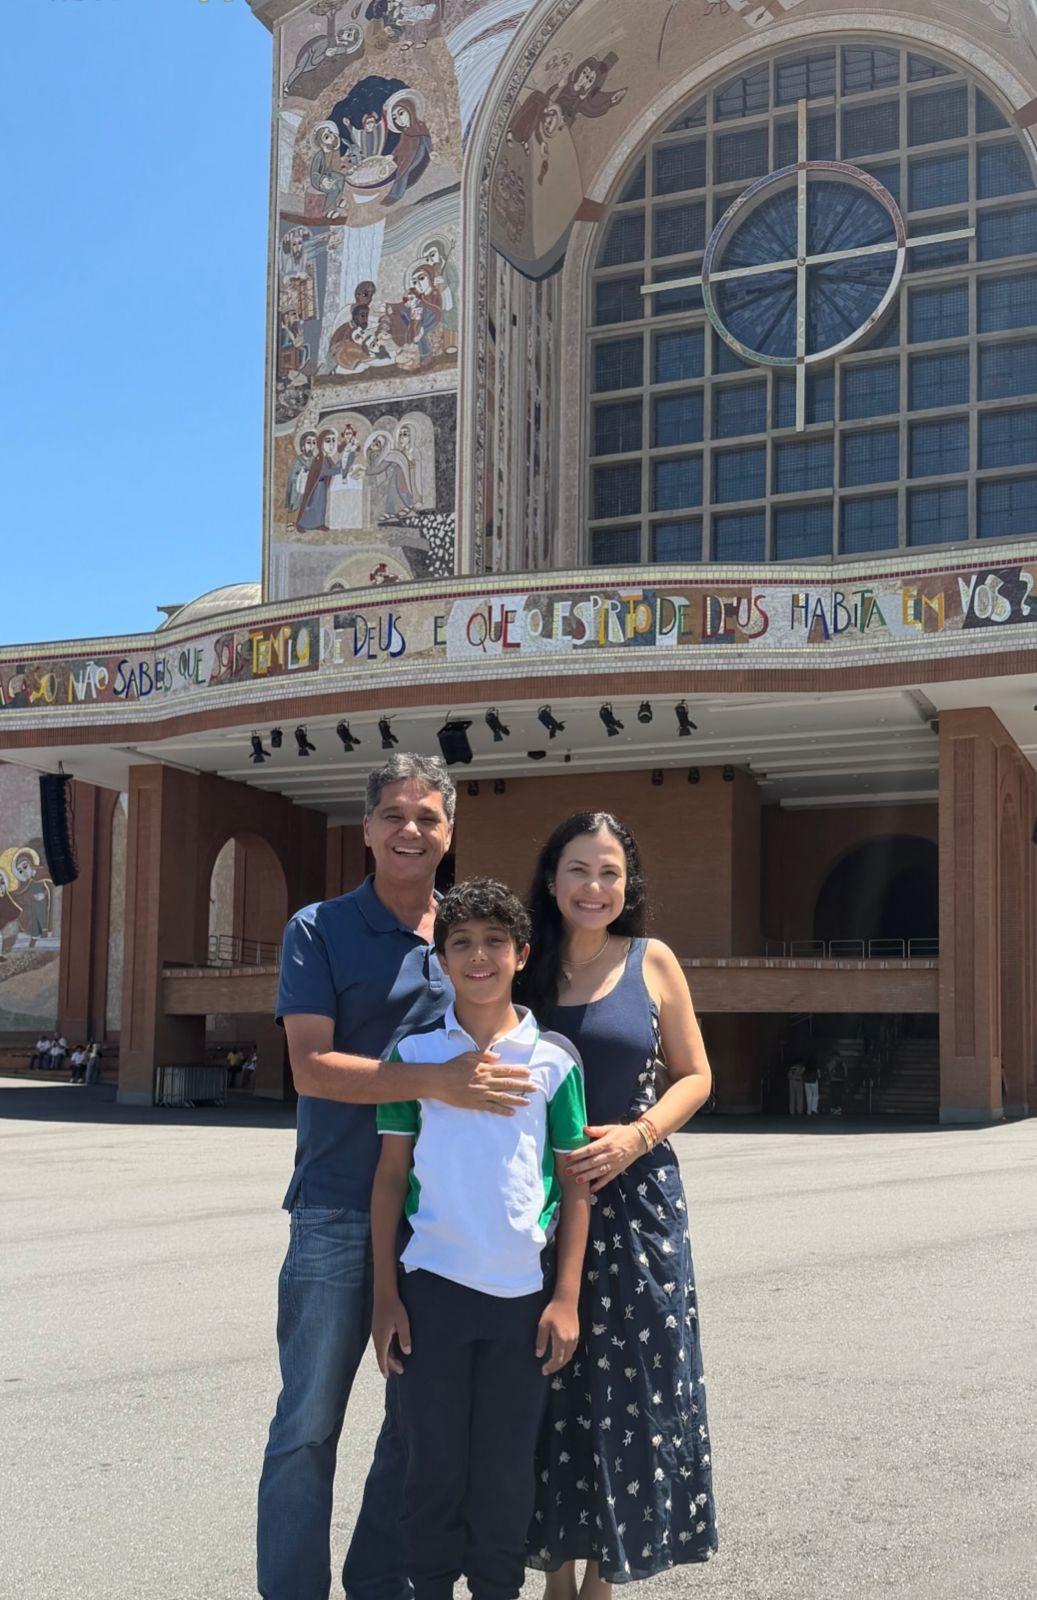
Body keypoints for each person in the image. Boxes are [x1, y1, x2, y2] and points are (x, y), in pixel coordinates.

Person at [258, 753, 543, 1600]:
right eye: (393, 815)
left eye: (427, 816)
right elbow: (309, 1068)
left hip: (439, 1229)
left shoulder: (462, 938)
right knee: (308, 1424)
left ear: (450, 831)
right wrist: (429, 1081)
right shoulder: (319, 928)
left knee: (411, 1431)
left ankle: (377, 1584)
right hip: (335, 1212)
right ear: (367, 829)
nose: (409, 830)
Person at [371, 878, 591, 1600]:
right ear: (438, 961)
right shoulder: (417, 1055)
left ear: (522, 954)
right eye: (460, 943)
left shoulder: (553, 1058)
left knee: (503, 1476)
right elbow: (388, 1179)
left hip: (520, 1303)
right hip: (430, 1293)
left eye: (495, 942)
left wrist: (564, 1297)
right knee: (431, 1472)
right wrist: (385, 1299)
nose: (478, 957)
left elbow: (574, 1183)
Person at [520, 811, 718, 1589]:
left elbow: (696, 1075)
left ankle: (603, 1577)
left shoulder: (652, 961)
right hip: (534, 1203)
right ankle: (554, 1579)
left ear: (627, 883)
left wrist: (636, 1137)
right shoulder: (522, 965)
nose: (593, 886)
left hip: (635, 1207)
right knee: (544, 1384)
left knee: (628, 1393)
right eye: (578, 869)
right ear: (550, 878)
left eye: (608, 872)